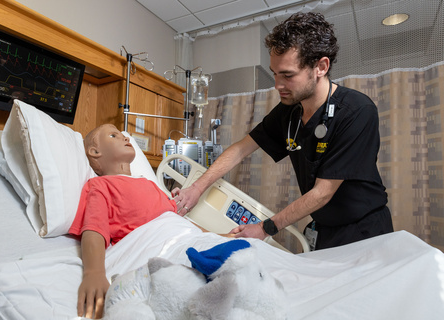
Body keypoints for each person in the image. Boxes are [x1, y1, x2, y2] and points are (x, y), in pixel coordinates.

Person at [172, 12, 393, 251]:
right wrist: (196, 187)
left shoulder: (356, 111)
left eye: (288, 75)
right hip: (323, 228)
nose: (277, 85)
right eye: (275, 73)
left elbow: (322, 193)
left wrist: (264, 228)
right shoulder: (289, 111)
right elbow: (240, 149)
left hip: (364, 231)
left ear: (321, 66)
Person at [68, 124, 179, 319]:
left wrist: (215, 235)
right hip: (155, 251)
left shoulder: (148, 183)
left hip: (180, 238)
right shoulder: (102, 185)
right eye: (114, 135)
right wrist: (93, 272)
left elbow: (176, 221)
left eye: (124, 136)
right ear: (95, 152)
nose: (126, 138)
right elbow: (94, 229)